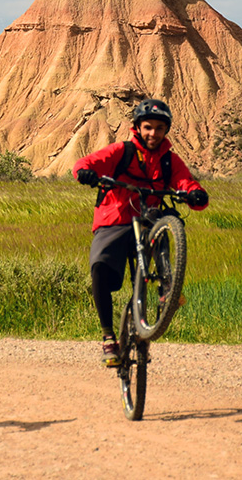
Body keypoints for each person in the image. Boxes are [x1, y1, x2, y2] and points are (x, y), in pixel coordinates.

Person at [72, 98, 209, 367]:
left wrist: (194, 193)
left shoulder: (169, 160)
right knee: (100, 266)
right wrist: (86, 173)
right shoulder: (121, 151)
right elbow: (85, 163)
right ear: (138, 127)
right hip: (115, 218)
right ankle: (108, 336)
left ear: (166, 131)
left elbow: (185, 181)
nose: (153, 133)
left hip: (147, 219)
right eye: (148, 127)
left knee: (166, 222)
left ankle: (166, 287)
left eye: (159, 128)